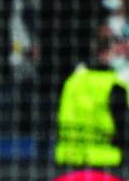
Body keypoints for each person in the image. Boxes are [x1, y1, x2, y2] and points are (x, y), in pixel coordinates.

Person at [54, 30, 129, 167]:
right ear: (108, 53)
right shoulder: (114, 86)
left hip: (68, 160)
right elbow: (124, 127)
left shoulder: (72, 81)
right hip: (104, 163)